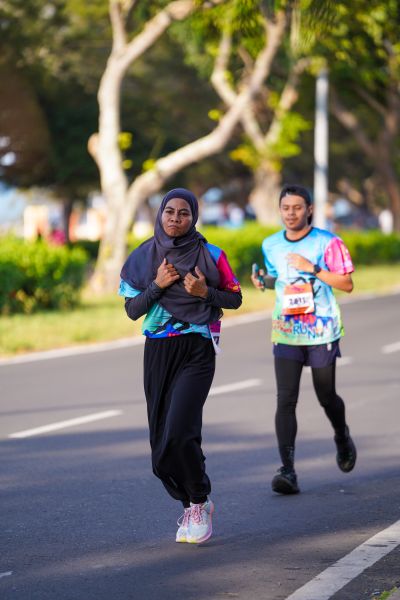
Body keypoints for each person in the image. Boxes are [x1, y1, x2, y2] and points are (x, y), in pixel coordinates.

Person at [119, 188, 242, 542]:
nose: (175, 218)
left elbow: (234, 298)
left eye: (183, 213)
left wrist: (205, 293)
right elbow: (132, 310)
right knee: (160, 451)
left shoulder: (211, 255)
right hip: (158, 351)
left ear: (194, 217)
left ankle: (199, 501)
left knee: (179, 431)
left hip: (197, 349)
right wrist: (157, 285)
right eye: (169, 212)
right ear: (160, 214)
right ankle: (188, 502)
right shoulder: (143, 256)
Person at [251, 183, 357, 495]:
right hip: (286, 329)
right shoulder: (271, 244)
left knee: (326, 395)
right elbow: (278, 278)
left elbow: (347, 283)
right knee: (286, 399)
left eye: (297, 208)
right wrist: (263, 281)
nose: (291, 213)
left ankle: (341, 435)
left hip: (321, 329)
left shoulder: (328, 242)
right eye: (286, 208)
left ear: (309, 209)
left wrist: (312, 268)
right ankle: (288, 471)